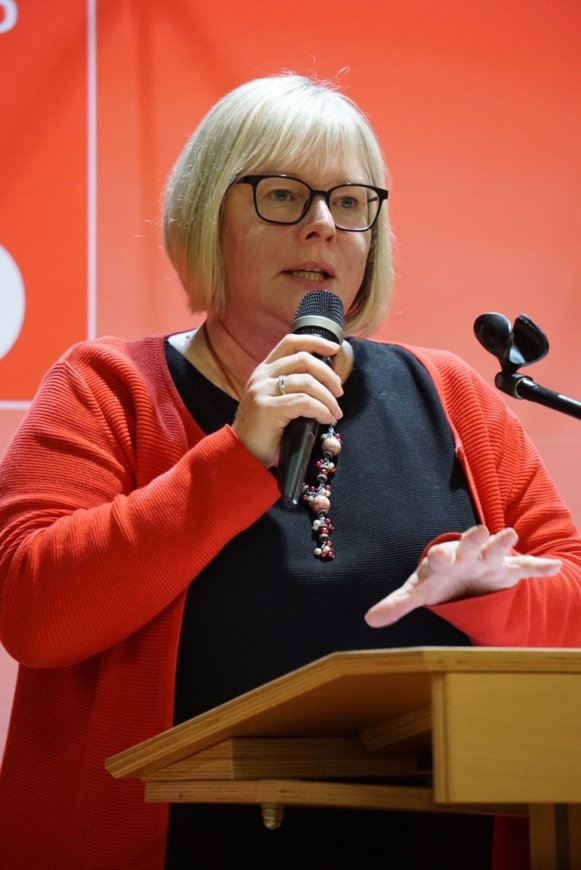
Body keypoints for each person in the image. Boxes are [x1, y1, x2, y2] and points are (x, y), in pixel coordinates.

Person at [0, 74, 580, 870]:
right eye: (282, 196)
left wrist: (491, 597)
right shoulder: (109, 389)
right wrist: (233, 458)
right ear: (207, 217)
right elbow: (35, 615)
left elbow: (569, 607)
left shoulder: (449, 395)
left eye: (349, 202)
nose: (322, 225)